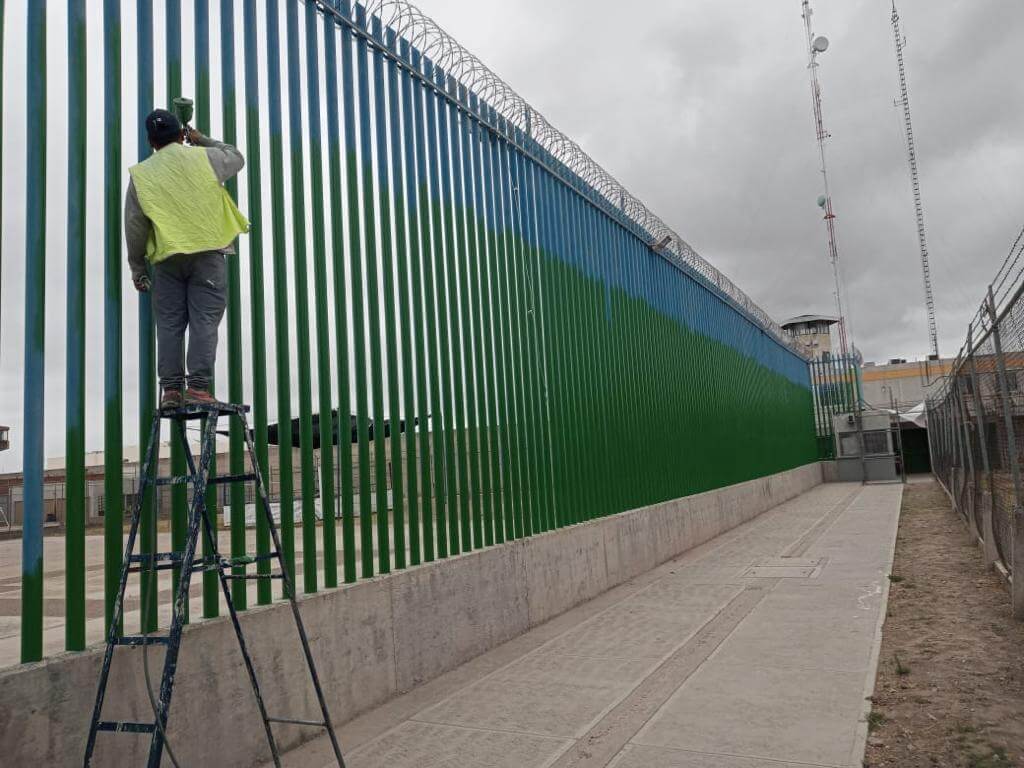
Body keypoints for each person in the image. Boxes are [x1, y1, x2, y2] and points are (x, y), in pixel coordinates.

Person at [125, 108, 249, 408]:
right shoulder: (205, 158)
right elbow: (236, 156)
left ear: (150, 141)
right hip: (208, 253)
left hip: (167, 260)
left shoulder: (141, 174)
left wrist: (137, 267)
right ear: (181, 135)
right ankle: (198, 387)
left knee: (169, 324)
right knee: (204, 321)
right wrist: (200, 138)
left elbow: (135, 225)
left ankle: (170, 391)